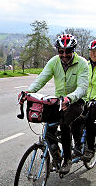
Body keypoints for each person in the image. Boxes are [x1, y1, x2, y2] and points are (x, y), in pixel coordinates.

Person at [21, 34, 89, 174]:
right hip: (59, 100)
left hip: (76, 101)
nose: (64, 55)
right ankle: (57, 156)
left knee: (64, 124)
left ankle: (67, 160)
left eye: (68, 51)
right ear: (57, 51)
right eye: (61, 51)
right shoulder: (54, 61)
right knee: (48, 125)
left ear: (73, 50)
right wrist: (28, 92)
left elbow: (82, 88)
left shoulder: (82, 63)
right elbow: (41, 79)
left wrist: (70, 98)